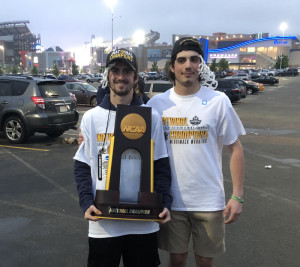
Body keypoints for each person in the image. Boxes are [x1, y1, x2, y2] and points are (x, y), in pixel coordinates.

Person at [147, 37, 245, 267]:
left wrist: (237, 195)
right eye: (181, 60)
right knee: (177, 259)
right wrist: (90, 137)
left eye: (194, 59)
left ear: (201, 65)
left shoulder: (218, 101)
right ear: (172, 67)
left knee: (204, 260)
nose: (188, 65)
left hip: (209, 200)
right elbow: (128, 134)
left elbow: (235, 148)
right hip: (171, 200)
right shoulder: (156, 105)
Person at [73, 48, 172, 267]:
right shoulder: (91, 118)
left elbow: (161, 164)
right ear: (107, 75)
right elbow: (81, 165)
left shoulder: (151, 117)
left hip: (144, 220)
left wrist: (164, 202)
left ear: (136, 77)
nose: (121, 76)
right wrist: (86, 202)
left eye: (127, 71)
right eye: (115, 70)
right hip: (104, 220)